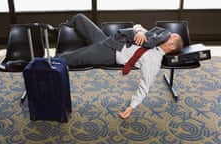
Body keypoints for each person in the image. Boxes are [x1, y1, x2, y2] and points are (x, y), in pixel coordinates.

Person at [56, 13, 184, 119]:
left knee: (71, 58)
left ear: (172, 46)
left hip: (109, 53)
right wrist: (140, 32)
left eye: (171, 36)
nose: (167, 34)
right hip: (110, 40)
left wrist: (131, 107)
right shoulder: (154, 38)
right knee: (80, 18)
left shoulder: (154, 60)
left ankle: (44, 63)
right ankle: (56, 32)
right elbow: (138, 26)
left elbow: (145, 85)